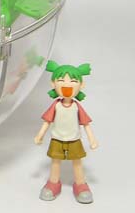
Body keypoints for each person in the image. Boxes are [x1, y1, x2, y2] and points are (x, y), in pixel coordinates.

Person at [34, 61, 98, 204]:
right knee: (55, 162)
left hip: (74, 140)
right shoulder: (56, 105)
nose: (67, 85)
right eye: (61, 81)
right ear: (53, 84)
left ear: (81, 85)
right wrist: (40, 135)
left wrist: (92, 139)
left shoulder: (77, 107)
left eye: (73, 81)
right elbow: (47, 121)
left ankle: (80, 184)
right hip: (57, 139)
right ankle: (53, 183)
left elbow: (85, 124)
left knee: (77, 162)